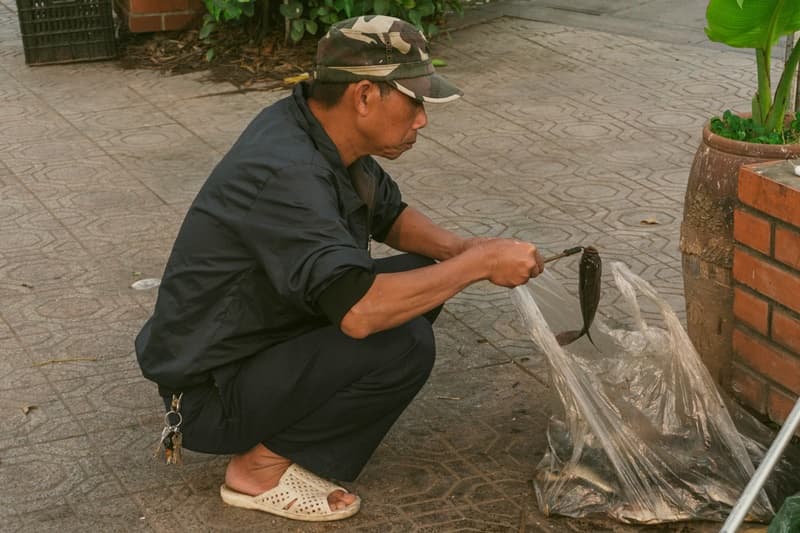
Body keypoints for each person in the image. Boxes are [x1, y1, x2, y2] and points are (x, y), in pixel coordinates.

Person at [135, 14, 545, 523]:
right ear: (365, 96)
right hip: (206, 396)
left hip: (250, 343)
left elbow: (388, 215)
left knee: (423, 279)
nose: (422, 119)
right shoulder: (288, 172)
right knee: (401, 341)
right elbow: (359, 314)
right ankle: (257, 470)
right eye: (414, 100)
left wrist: (461, 249)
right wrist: (480, 264)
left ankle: (281, 431)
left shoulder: (314, 126)